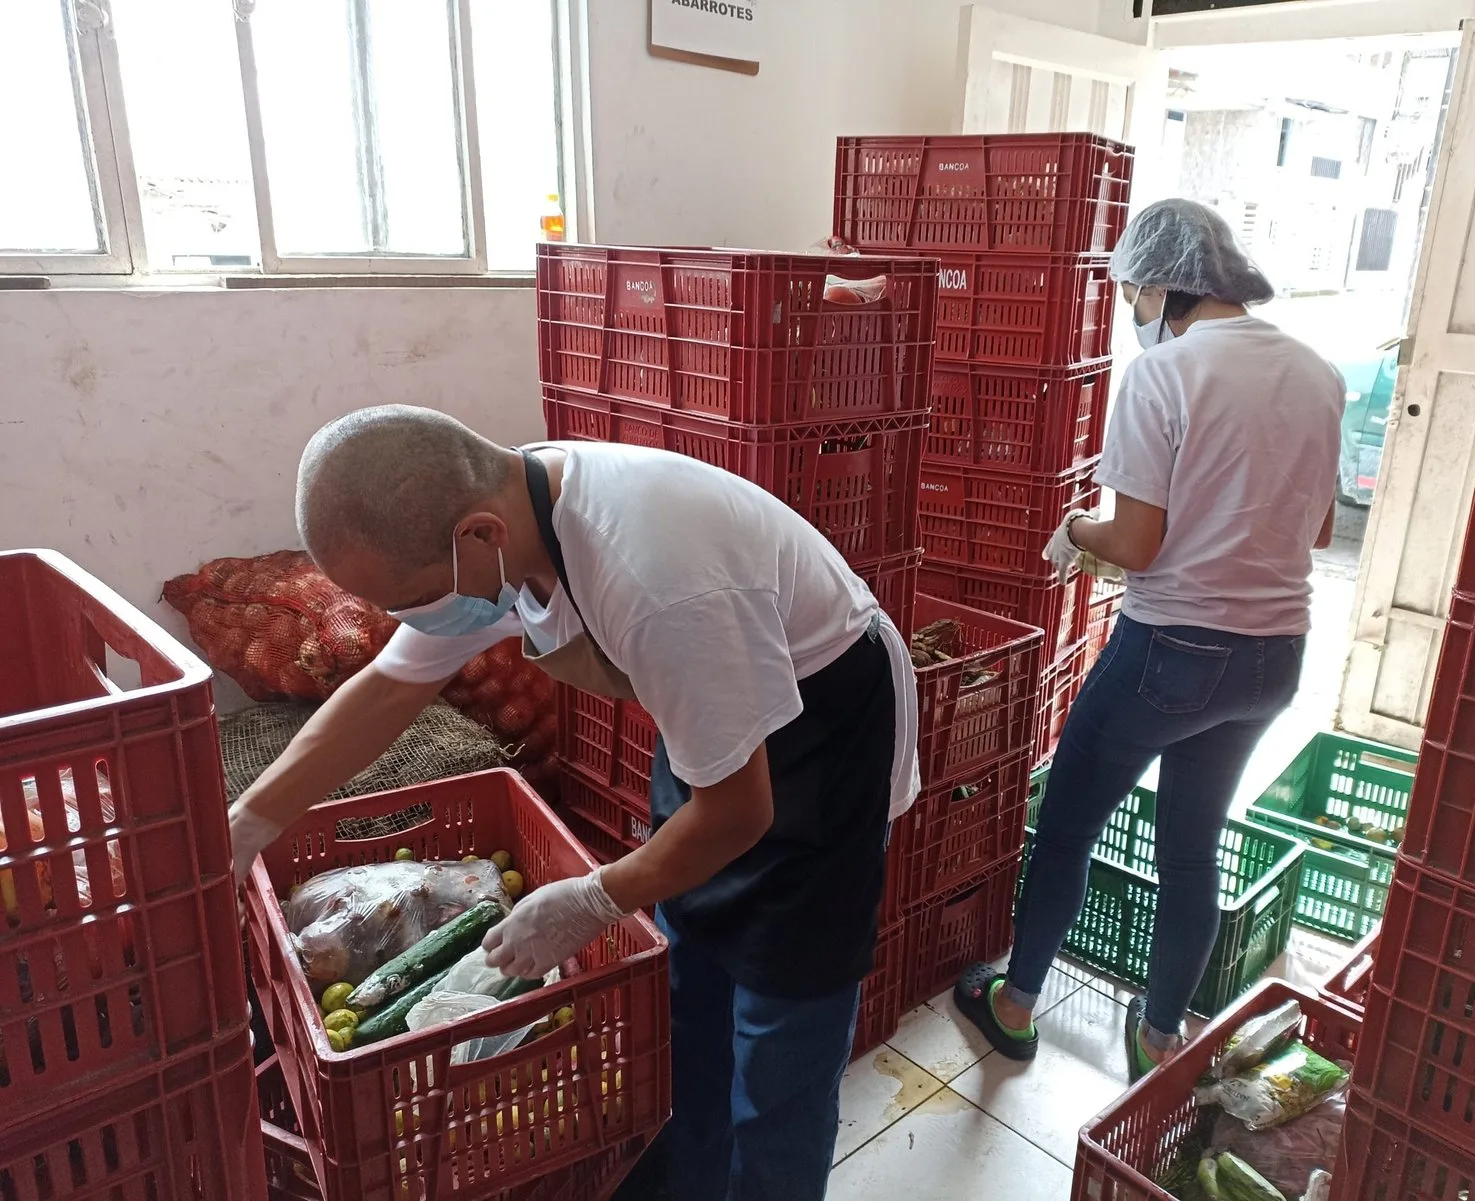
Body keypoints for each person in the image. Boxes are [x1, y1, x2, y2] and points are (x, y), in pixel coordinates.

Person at [228, 406, 920, 1201]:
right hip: (712, 706)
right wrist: (251, 819)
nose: (420, 618)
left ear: (479, 536)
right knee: (693, 994)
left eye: (419, 596)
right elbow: (389, 686)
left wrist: (594, 896)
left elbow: (737, 813)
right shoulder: (510, 526)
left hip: (819, 729)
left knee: (781, 1034)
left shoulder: (655, 577)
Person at [953, 199, 1342, 1080]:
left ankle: (1013, 1007)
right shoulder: (1317, 372)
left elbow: (1135, 544)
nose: (1132, 312)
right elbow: (1316, 534)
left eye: (1133, 293)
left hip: (1173, 649)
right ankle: (1158, 1034)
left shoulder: (1165, 378)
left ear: (1167, 284)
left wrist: (1075, 528)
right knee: (1192, 843)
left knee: (1065, 829)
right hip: (1275, 653)